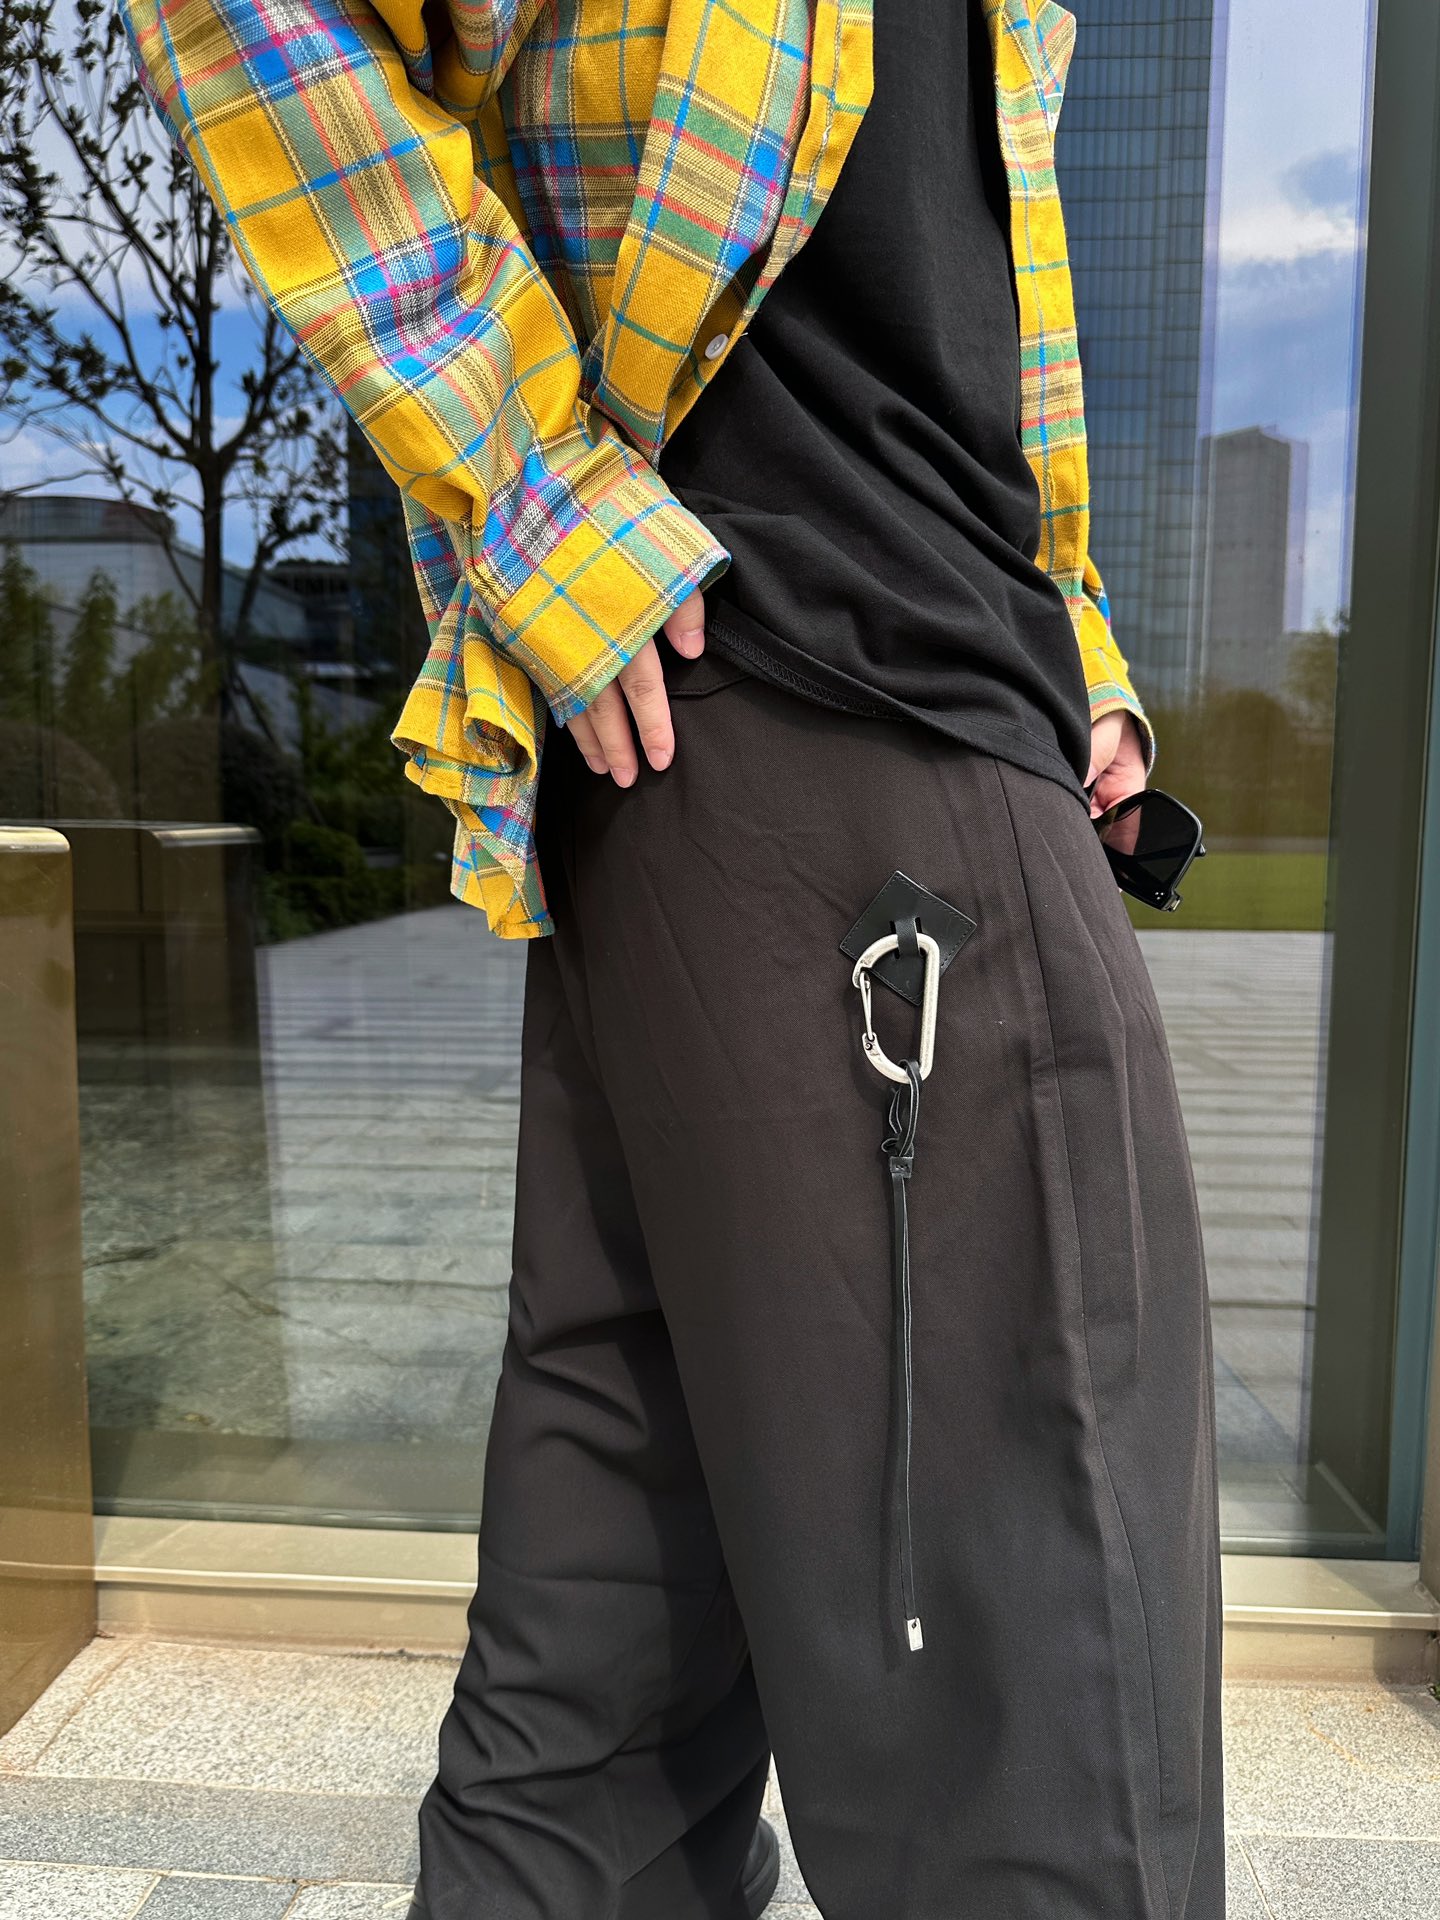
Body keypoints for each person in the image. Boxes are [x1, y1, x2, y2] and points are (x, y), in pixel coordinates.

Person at [120, 0, 1226, 1911]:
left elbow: (976, 284)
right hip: (828, 696)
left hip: (747, 734)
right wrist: (537, 487)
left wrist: (1075, 645)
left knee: (617, 1638)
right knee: (1042, 1710)